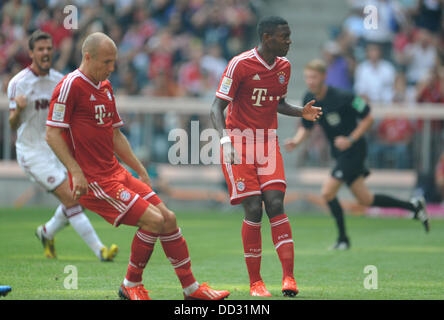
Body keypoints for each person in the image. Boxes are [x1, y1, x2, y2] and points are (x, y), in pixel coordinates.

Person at [45, 32, 230, 301]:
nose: (111, 68)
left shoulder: (105, 87)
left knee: (168, 218)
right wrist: (75, 171)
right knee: (153, 221)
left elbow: (115, 134)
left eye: (114, 62)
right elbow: (51, 134)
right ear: (88, 57)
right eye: (107, 62)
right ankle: (130, 284)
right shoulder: (70, 86)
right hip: (94, 180)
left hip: (116, 173)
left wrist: (139, 169)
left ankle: (191, 289)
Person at [210, 16, 322, 297]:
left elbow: (278, 103)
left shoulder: (284, 67)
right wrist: (225, 142)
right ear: (268, 37)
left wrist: (301, 112)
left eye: (289, 35)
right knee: (253, 209)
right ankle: (256, 283)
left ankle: (288, 278)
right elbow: (215, 108)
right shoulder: (240, 64)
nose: (289, 41)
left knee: (275, 203)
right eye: (284, 36)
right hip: (239, 141)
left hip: (267, 142)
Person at [284, 59, 430, 250]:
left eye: (314, 76)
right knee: (365, 200)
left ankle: (343, 239)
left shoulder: (345, 96)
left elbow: (368, 117)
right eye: (307, 77)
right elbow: (307, 127)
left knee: (327, 192)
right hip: (340, 153)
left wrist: (350, 139)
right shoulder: (308, 98)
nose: (310, 81)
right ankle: (414, 206)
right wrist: (296, 140)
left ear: (324, 77)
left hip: (354, 150)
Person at [8, 30, 118, 261]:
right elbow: (12, 124)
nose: (46, 52)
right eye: (40, 49)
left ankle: (46, 232)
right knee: (71, 197)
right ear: (31, 53)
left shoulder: (60, 81)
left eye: (49, 48)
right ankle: (100, 250)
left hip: (57, 150)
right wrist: (18, 109)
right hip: (32, 152)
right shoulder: (18, 83)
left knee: (81, 195)